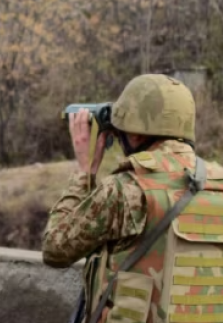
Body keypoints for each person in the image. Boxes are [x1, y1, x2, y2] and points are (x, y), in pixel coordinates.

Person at [42, 74, 223, 323]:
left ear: (136, 136)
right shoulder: (218, 185)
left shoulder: (126, 189)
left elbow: (55, 249)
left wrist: (84, 172)